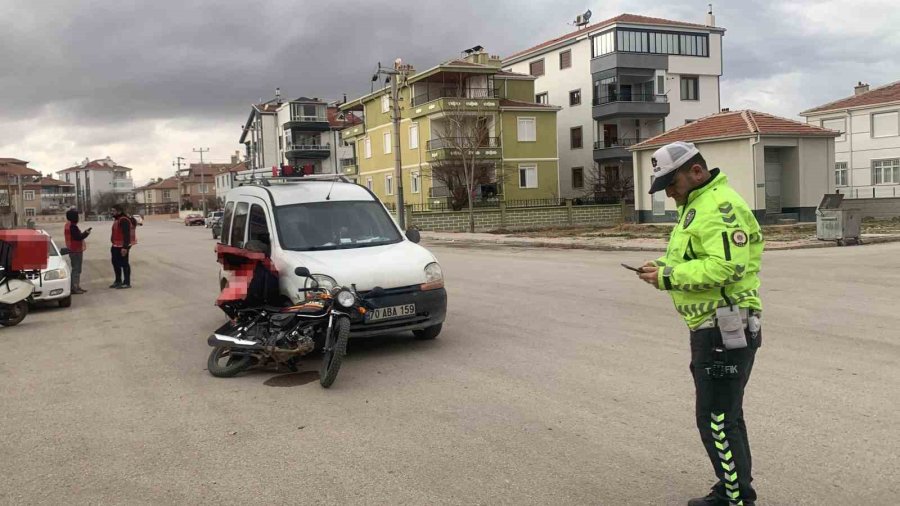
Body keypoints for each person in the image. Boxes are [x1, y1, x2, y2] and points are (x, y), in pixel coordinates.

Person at [635, 141, 764, 506]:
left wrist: (670, 276)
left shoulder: (718, 207)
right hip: (716, 327)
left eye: (670, 185)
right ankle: (735, 491)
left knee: (717, 420)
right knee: (725, 417)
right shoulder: (698, 205)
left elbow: (728, 266)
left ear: (696, 171)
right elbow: (697, 257)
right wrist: (663, 267)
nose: (669, 194)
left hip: (724, 328)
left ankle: (735, 499)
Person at [64, 208, 91, 294]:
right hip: (75, 250)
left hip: (72, 249)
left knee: (76, 269)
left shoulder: (68, 225)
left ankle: (76, 286)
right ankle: (74, 287)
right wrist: (86, 233)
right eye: (77, 216)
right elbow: (78, 237)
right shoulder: (73, 227)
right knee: (76, 269)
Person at [109, 204, 136, 289]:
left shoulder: (123, 220)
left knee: (124, 264)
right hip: (115, 246)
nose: (112, 212)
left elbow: (126, 235)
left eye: (113, 211)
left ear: (119, 211)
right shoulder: (117, 219)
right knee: (115, 263)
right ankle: (118, 281)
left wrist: (125, 247)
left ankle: (126, 282)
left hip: (122, 246)